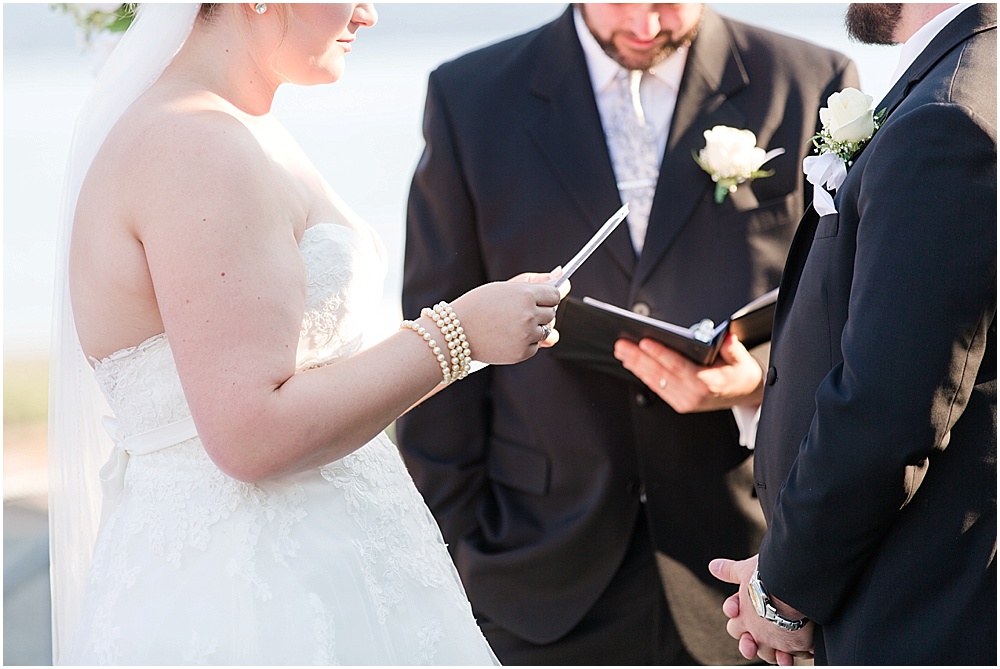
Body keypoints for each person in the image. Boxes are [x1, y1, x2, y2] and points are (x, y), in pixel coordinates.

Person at [47, 3, 565, 665]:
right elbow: (250, 429)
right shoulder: (195, 141)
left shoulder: (234, 124)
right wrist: (456, 335)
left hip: (316, 567)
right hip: (250, 594)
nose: (369, 14)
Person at [398, 3, 858, 664]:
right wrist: (460, 556)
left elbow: (842, 315)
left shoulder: (808, 81)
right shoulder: (470, 97)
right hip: (534, 581)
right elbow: (436, 345)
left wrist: (757, 379)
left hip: (746, 575)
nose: (645, 25)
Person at [707, 3, 997, 665]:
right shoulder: (964, 82)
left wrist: (782, 590)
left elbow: (890, 403)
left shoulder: (948, 119)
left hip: (927, 610)